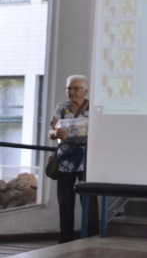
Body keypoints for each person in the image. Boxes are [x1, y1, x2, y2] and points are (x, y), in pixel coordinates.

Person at [49, 74, 100, 243]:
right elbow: (51, 131)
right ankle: (66, 238)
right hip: (66, 162)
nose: (72, 92)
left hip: (88, 161)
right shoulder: (62, 107)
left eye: (76, 88)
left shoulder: (94, 107)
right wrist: (56, 133)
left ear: (85, 90)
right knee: (65, 201)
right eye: (69, 88)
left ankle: (92, 236)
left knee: (89, 201)